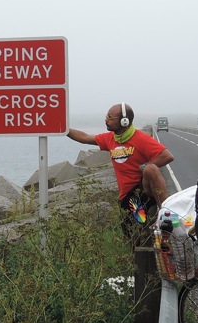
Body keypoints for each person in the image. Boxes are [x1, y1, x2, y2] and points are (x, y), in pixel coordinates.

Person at [67, 102, 174, 237]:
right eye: (107, 116)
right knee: (133, 235)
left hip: (143, 189)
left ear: (124, 121)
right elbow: (84, 137)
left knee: (150, 169)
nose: (106, 120)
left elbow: (167, 156)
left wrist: (144, 166)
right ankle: (148, 236)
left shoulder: (141, 138)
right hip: (127, 196)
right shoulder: (109, 139)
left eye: (110, 117)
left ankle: (165, 213)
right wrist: (64, 129)